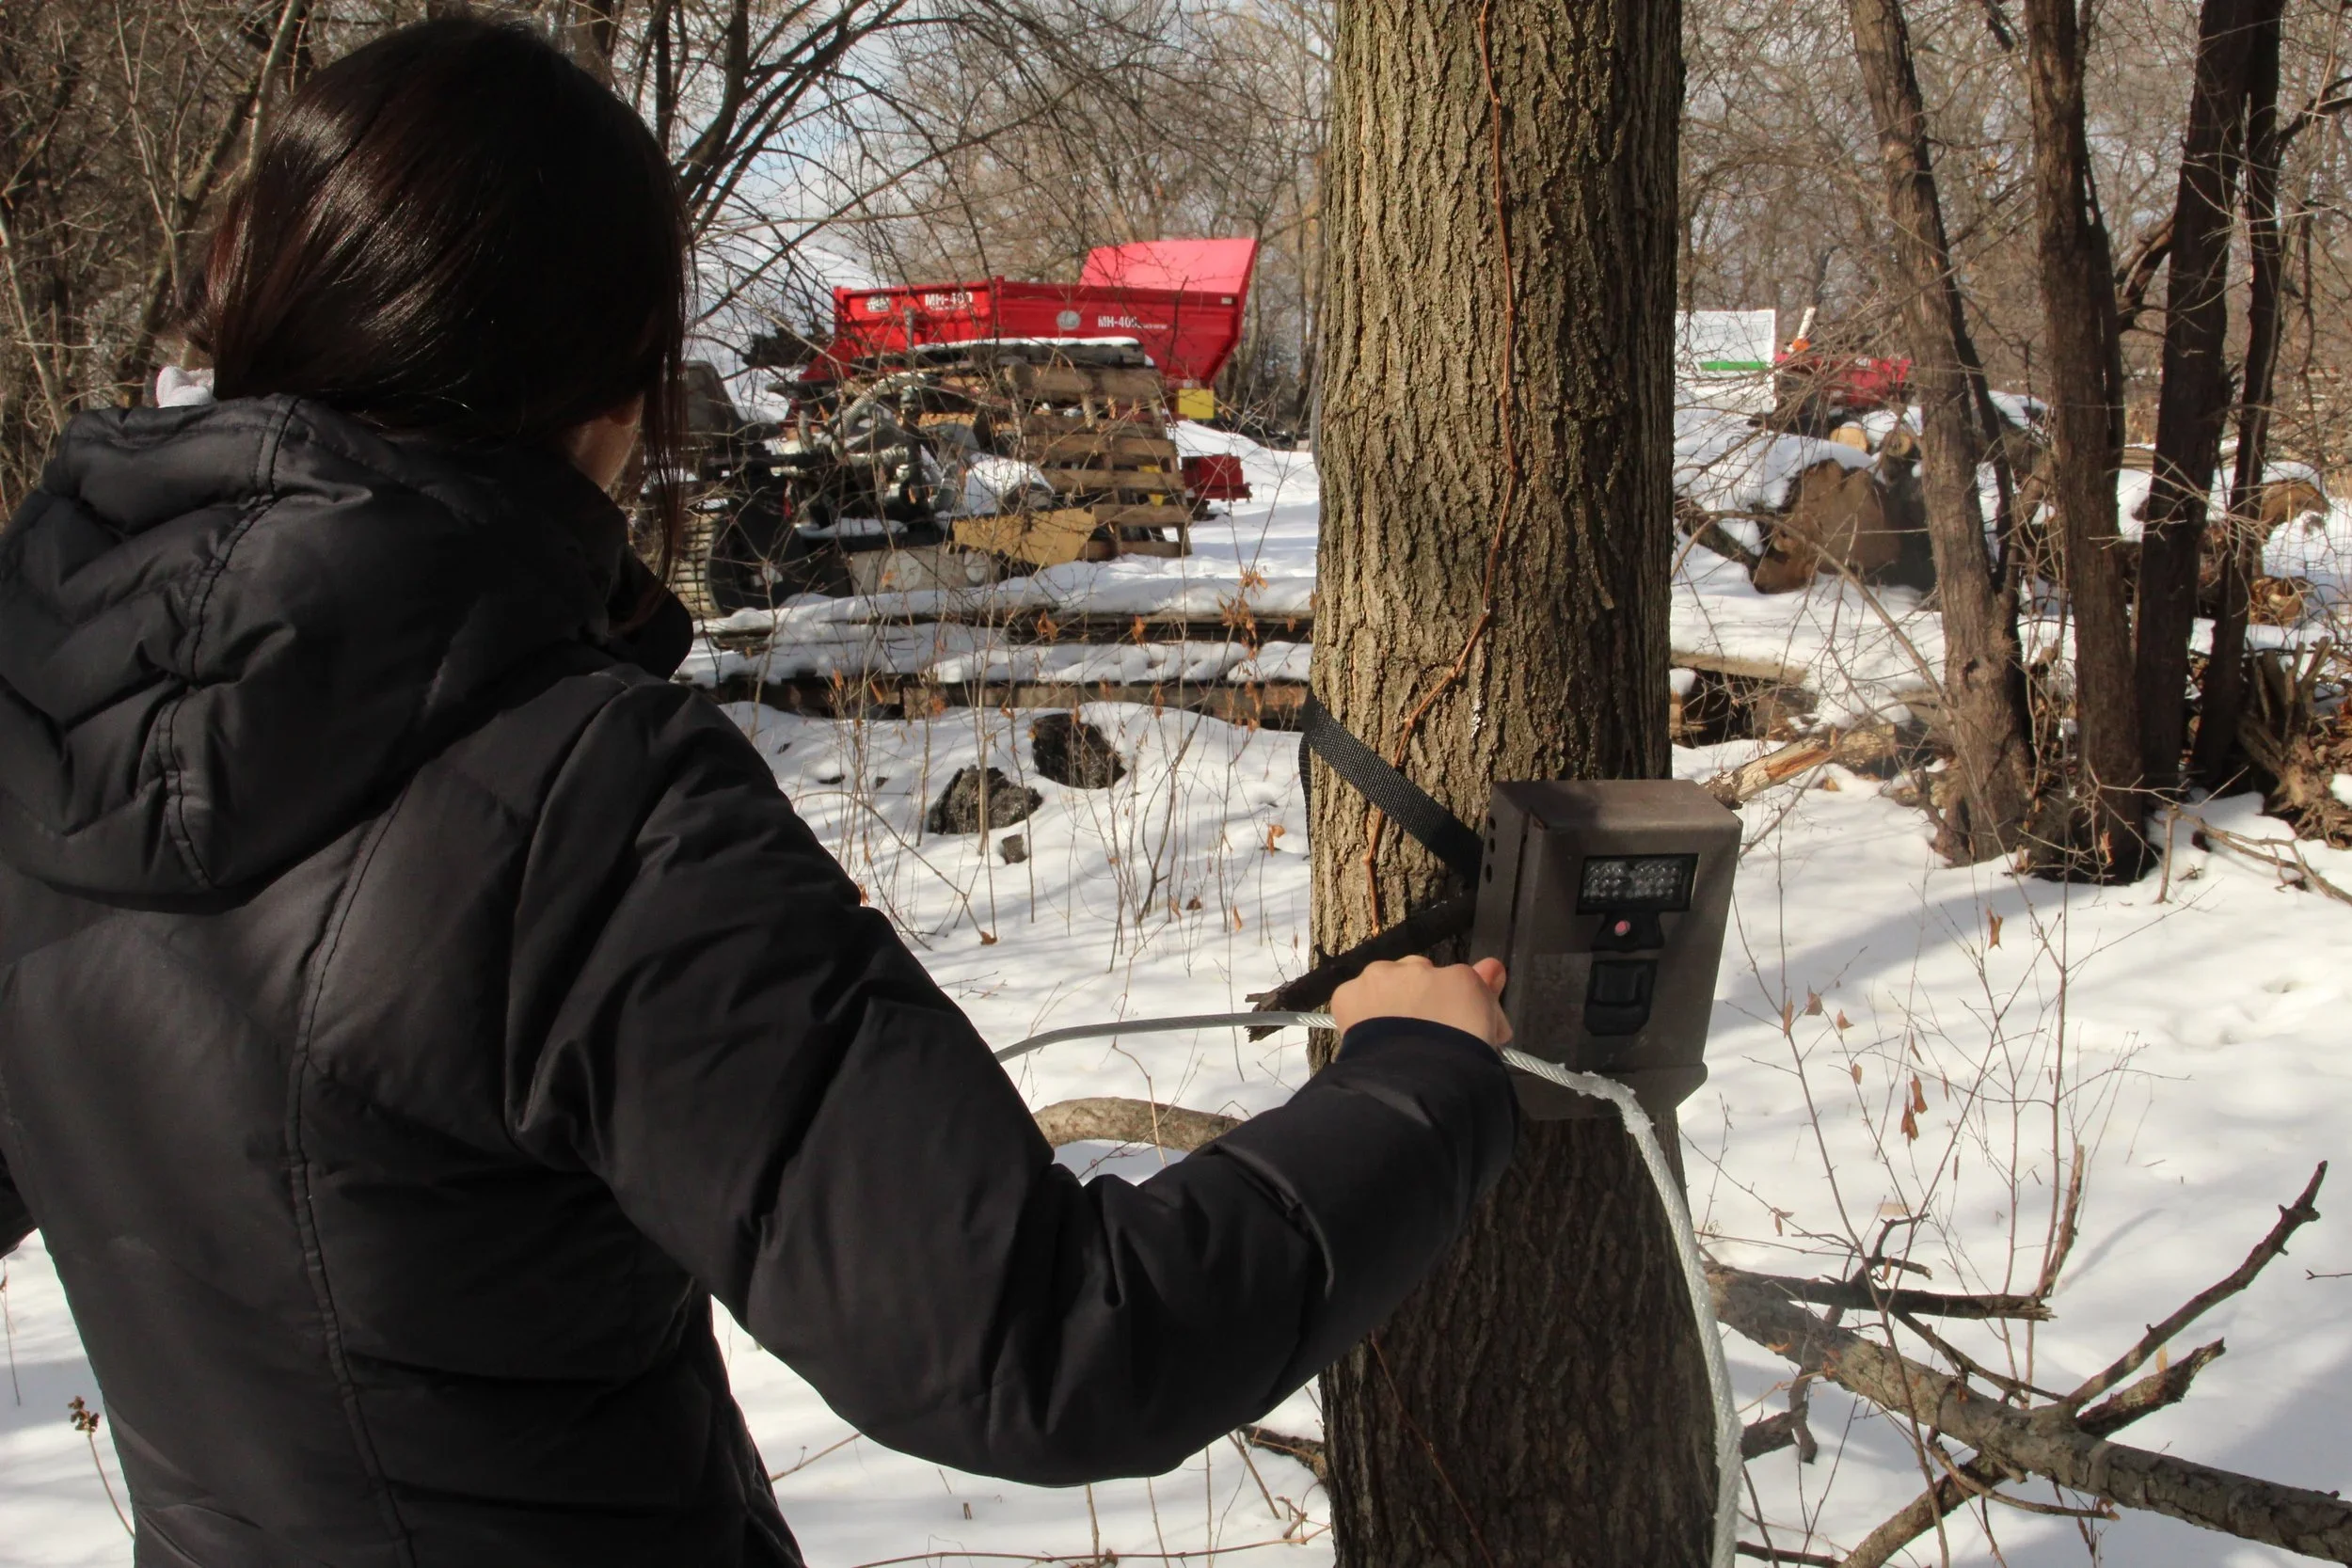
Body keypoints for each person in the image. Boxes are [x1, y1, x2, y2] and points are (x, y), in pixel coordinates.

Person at [0, 17, 1518, 1568]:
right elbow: (1054, 1340)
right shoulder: (576, 799)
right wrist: (1415, 1080)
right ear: (605, 391)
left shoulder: (39, 709)